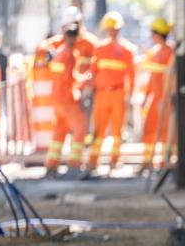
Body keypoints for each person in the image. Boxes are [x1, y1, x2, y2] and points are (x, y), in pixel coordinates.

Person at [86, 12, 135, 171]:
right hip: (101, 94)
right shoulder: (100, 49)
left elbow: (131, 76)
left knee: (117, 131)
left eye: (114, 29)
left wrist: (129, 96)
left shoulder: (127, 50)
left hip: (118, 94)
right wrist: (88, 88)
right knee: (98, 130)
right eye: (110, 29)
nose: (112, 32)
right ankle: (93, 161)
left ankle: (115, 161)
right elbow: (93, 71)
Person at [44, 20, 86, 176]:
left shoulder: (59, 51)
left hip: (56, 98)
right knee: (80, 129)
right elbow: (71, 78)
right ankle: (74, 163)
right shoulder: (70, 54)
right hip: (67, 98)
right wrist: (84, 80)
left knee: (59, 131)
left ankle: (51, 163)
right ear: (76, 37)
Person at [139, 17, 174, 171]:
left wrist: (167, 97)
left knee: (166, 131)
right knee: (149, 129)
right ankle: (147, 161)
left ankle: (164, 162)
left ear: (159, 34)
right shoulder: (153, 52)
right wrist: (146, 97)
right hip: (154, 98)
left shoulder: (169, 52)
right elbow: (151, 78)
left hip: (164, 98)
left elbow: (171, 78)